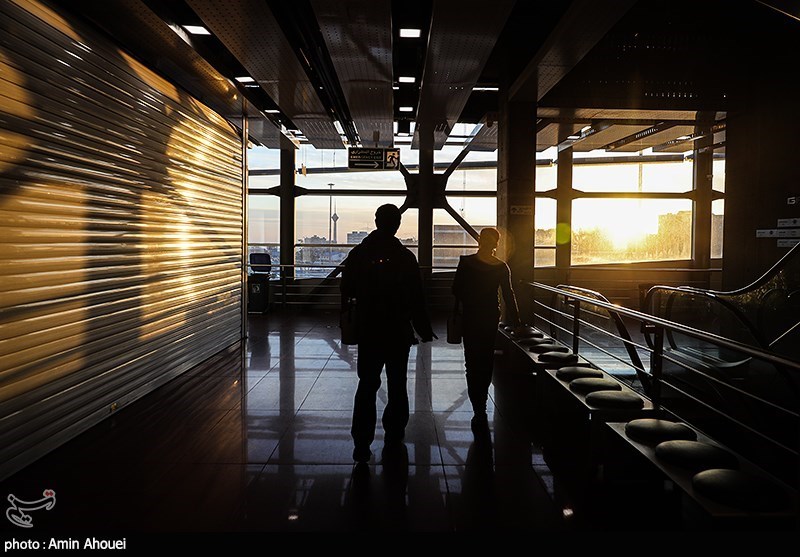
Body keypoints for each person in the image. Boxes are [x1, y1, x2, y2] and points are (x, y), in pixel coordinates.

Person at [341, 204, 436, 463]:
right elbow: (416, 297)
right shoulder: (405, 257)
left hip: (369, 329)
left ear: (376, 221)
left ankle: (362, 441)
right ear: (397, 224)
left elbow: (346, 288)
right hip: (397, 330)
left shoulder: (359, 253)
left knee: (367, 384)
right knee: (397, 384)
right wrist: (424, 328)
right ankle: (394, 434)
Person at [452, 227, 520, 429]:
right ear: (496, 244)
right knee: (485, 358)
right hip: (489, 317)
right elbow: (509, 295)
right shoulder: (501, 267)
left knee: (471, 361)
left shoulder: (465, 263)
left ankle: (477, 406)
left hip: (471, 316)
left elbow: (456, 289)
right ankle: (482, 396)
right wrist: (517, 322)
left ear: (479, 241)